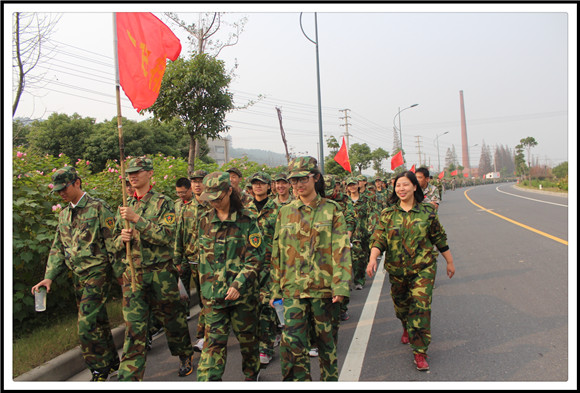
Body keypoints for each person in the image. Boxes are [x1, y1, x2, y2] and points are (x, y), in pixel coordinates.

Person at [31, 166, 121, 381]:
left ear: (77, 182)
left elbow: (113, 244)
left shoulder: (98, 208)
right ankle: (111, 362)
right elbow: (58, 248)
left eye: (65, 188)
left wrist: (121, 276)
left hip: (98, 273)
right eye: (58, 190)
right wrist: (49, 276)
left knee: (86, 324)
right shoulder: (64, 214)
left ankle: (98, 370)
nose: (62, 193)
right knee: (97, 320)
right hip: (78, 276)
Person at [270, 156, 351, 381]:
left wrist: (341, 285)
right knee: (293, 348)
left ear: (315, 178)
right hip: (293, 290)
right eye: (293, 181)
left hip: (323, 290)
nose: (297, 185)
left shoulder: (332, 210)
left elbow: (342, 250)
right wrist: (275, 289)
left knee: (326, 347)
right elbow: (277, 252)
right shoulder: (284, 212)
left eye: (302, 179)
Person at [113, 157, 194, 381]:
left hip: (160, 273)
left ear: (149, 173)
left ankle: (184, 354)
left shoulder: (163, 203)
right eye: (129, 172)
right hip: (134, 274)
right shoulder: (125, 204)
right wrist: (122, 239)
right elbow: (113, 244)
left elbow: (166, 236)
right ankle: (130, 374)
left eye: (137, 171)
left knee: (172, 320)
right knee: (134, 327)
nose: (132, 176)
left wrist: (137, 220)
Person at [366, 171, 455, 372]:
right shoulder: (388, 214)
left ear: (415, 187)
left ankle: (420, 351)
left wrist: (449, 261)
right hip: (397, 271)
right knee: (402, 307)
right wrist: (373, 258)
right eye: (398, 185)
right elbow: (379, 238)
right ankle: (406, 325)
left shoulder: (427, 212)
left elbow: (439, 238)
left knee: (421, 307)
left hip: (423, 269)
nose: (401, 189)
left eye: (405, 185)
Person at [195, 171, 263, 381]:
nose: (214, 202)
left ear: (229, 191)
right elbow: (202, 259)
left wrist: (238, 284)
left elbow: (255, 258)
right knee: (212, 349)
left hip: (242, 298)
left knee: (248, 342)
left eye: (218, 197)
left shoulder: (248, 220)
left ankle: (252, 375)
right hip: (214, 298)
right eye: (211, 198)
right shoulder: (204, 221)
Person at [174, 169, 211, 353]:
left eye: (200, 180)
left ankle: (204, 336)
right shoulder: (186, 209)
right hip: (193, 261)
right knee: (204, 301)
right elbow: (179, 236)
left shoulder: (213, 207)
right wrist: (178, 260)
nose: (197, 184)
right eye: (194, 181)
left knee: (207, 299)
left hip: (211, 263)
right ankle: (207, 335)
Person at [246, 172, 281, 366]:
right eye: (255, 184)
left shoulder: (278, 209)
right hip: (250, 267)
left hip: (271, 266)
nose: (258, 186)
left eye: (262, 184)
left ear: (270, 186)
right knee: (252, 309)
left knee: (268, 308)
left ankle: (265, 348)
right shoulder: (245, 210)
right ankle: (257, 345)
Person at [324, 174, 355, 322]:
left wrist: (346, 238)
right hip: (323, 246)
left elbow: (349, 219)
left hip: (340, 239)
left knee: (341, 274)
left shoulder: (343, 200)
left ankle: (342, 307)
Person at [346, 177, 377, 291]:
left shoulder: (365, 199)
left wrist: (371, 229)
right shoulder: (346, 200)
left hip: (363, 232)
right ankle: (350, 281)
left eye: (354, 184)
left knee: (361, 257)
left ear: (358, 185)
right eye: (350, 185)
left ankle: (359, 280)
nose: (352, 187)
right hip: (349, 233)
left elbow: (371, 214)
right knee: (350, 258)